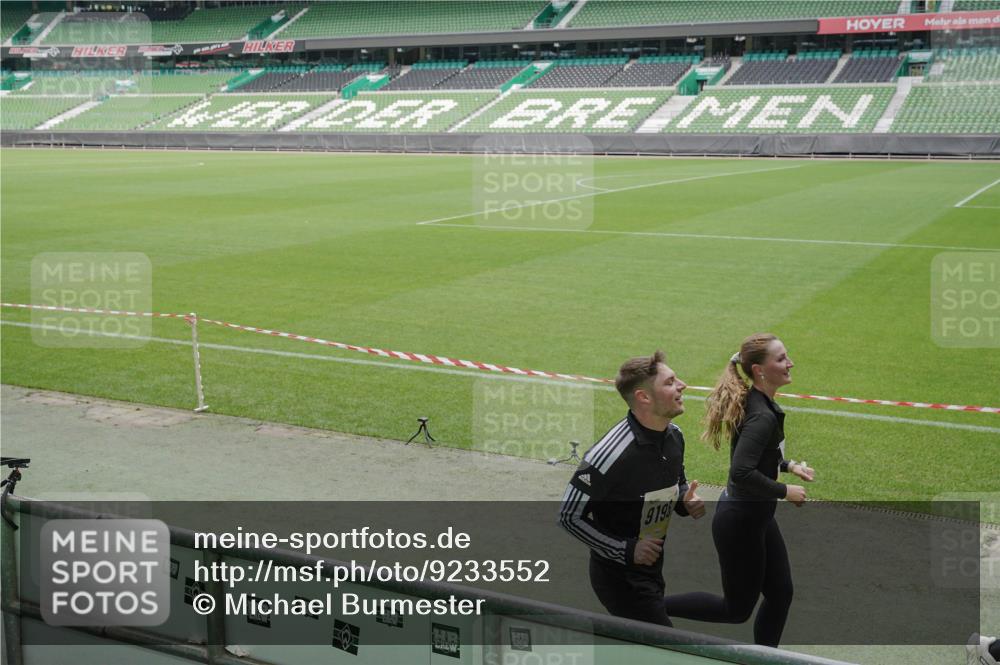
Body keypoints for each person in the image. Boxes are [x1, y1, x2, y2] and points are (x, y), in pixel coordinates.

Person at [661, 333, 814, 647]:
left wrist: (787, 467)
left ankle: (764, 657)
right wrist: (785, 490)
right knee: (735, 609)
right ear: (759, 370)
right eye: (781, 358)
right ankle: (651, 608)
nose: (790, 363)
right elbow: (741, 471)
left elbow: (759, 457)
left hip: (755, 515)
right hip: (741, 521)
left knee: (781, 592)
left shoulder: (761, 403)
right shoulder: (762, 415)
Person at [558, 350, 705, 626]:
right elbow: (568, 516)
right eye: (670, 381)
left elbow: (675, 484)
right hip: (619, 578)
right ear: (644, 397)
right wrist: (626, 549)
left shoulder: (674, 436)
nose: (682, 385)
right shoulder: (609, 455)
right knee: (666, 647)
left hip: (652, 567)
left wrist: (685, 500)